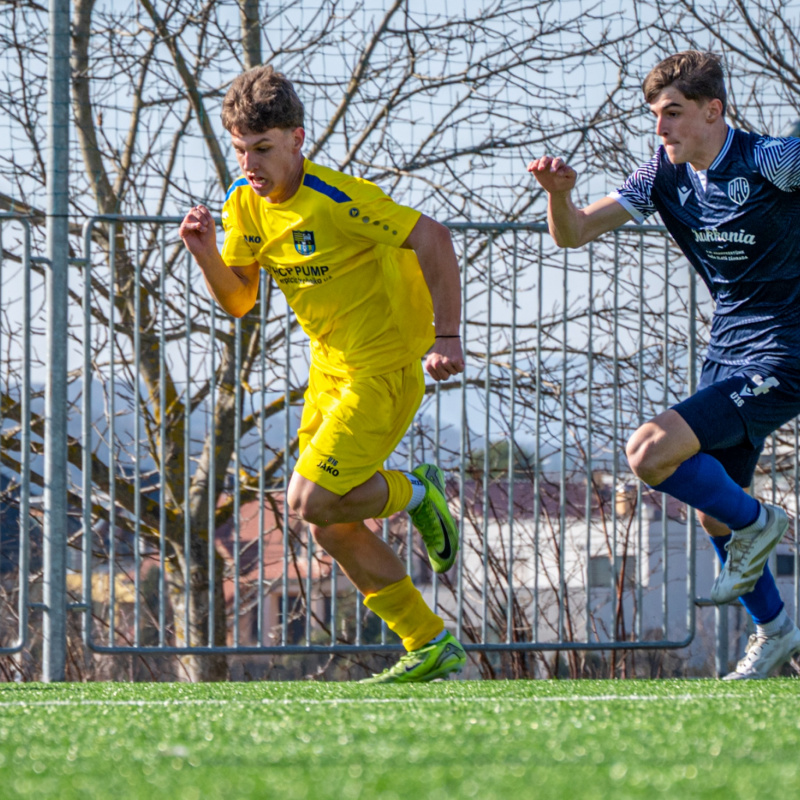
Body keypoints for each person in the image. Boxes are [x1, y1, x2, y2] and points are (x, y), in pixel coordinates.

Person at [179, 65, 466, 683]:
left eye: (262, 148)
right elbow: (240, 301)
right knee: (331, 524)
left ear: (296, 139)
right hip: (331, 375)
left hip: (384, 370)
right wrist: (205, 253)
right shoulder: (244, 204)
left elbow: (435, 238)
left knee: (309, 500)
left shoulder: (339, 201)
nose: (251, 163)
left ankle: (416, 493)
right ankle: (429, 642)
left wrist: (447, 337)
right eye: (240, 150)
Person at [528, 50, 800, 680]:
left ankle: (766, 522)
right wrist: (560, 197)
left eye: (673, 113)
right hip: (729, 351)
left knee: (649, 451)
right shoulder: (662, 175)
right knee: (713, 507)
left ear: (713, 110)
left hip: (786, 351)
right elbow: (573, 234)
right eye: (654, 115)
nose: (660, 128)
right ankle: (778, 631)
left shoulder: (770, 161)